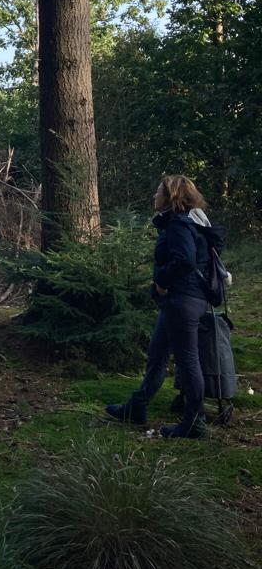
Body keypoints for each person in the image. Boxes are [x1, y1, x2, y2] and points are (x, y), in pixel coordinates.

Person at [106, 175, 224, 439]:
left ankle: (195, 421)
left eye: (158, 191)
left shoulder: (180, 224)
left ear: (171, 196)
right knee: (157, 354)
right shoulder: (187, 222)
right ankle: (137, 407)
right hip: (183, 301)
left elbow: (185, 260)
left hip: (182, 300)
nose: (154, 196)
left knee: (187, 360)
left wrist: (160, 281)